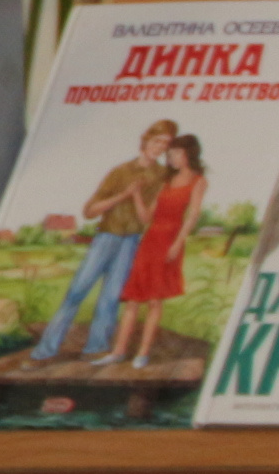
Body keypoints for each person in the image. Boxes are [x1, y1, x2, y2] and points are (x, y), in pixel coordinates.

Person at [31, 121, 173, 364]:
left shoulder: (162, 176)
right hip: (106, 237)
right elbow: (89, 211)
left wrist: (137, 198)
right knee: (77, 291)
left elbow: (148, 217)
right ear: (145, 140)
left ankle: (96, 348)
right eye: (156, 141)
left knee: (111, 298)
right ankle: (46, 349)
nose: (160, 147)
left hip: (130, 241)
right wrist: (123, 195)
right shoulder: (120, 172)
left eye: (165, 144)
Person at [110, 131, 205, 369]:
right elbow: (146, 218)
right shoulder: (165, 182)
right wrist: (136, 196)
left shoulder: (198, 181)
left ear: (188, 154)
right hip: (150, 240)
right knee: (133, 299)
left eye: (175, 153)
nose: (170, 158)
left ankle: (142, 353)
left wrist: (177, 244)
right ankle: (118, 351)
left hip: (170, 241)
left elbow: (192, 216)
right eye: (169, 154)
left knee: (154, 301)